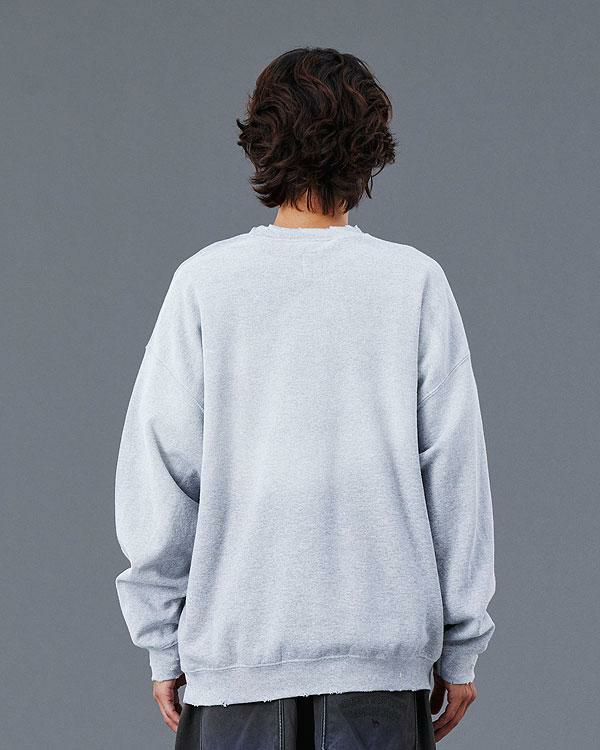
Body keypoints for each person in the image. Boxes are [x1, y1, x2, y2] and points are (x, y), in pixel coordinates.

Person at [114, 47, 496, 748]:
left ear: (262, 141)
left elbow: (161, 472)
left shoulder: (205, 283)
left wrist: (162, 642)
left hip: (235, 666)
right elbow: (455, 475)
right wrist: (462, 645)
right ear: (371, 150)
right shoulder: (414, 284)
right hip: (379, 674)